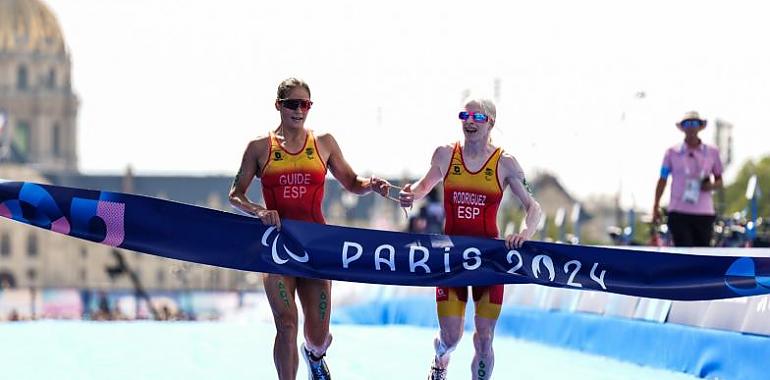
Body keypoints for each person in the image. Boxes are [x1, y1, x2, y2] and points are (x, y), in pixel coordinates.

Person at [229, 78, 388, 380]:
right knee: (287, 324)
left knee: (317, 335)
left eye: (306, 104)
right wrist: (259, 211)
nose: (299, 110)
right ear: (279, 105)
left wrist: (372, 186)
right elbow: (235, 194)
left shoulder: (323, 143)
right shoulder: (259, 148)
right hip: (276, 249)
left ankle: (314, 355)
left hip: (316, 248)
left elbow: (353, 183)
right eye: (293, 104)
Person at [395, 97, 542, 380]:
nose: (470, 122)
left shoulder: (506, 163)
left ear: (491, 123)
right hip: (451, 257)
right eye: (465, 115)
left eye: (478, 117)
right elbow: (423, 186)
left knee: (485, 338)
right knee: (451, 337)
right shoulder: (445, 155)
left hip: (489, 260)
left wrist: (524, 234)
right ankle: (441, 359)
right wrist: (408, 194)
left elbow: (533, 207)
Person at [653, 111, 724, 247]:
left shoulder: (712, 152)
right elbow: (662, 179)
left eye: (694, 123)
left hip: (704, 213)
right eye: (687, 123)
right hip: (678, 211)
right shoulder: (671, 152)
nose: (691, 127)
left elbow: (719, 180)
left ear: (700, 127)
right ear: (682, 127)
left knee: (702, 255)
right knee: (683, 251)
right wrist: (655, 205)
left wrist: (710, 186)